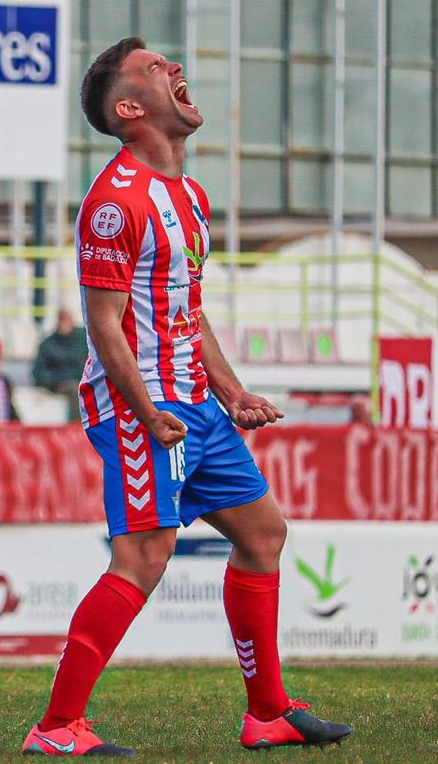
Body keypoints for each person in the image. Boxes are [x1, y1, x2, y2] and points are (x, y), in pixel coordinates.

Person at [20, 39, 350, 757]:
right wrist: (144, 412)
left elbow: (184, 310)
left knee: (263, 536)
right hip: (142, 409)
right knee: (143, 555)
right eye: (153, 67)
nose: (173, 67)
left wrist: (231, 393)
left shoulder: (189, 196)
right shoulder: (112, 205)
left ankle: (267, 713)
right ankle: (55, 727)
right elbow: (104, 327)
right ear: (131, 109)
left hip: (195, 406)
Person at [32, 308, 88, 421]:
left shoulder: (82, 338)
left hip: (82, 380)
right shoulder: (48, 344)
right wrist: (55, 380)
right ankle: (76, 426)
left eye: (66, 319)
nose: (64, 324)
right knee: (74, 390)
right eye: (61, 320)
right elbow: (38, 371)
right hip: (59, 383)